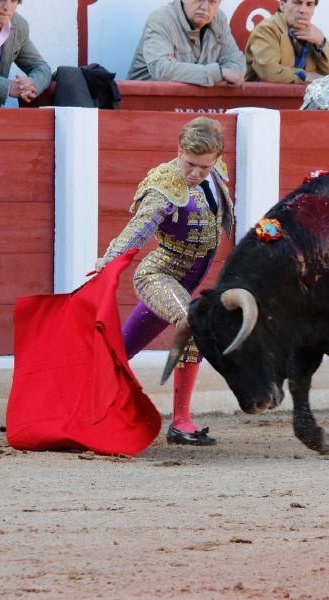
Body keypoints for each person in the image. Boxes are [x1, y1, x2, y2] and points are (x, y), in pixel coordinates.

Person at [95, 117, 234, 447]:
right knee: (194, 324)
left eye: (204, 166)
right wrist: (109, 259)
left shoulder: (218, 175)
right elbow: (139, 228)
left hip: (186, 280)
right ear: (179, 150)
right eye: (190, 164)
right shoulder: (164, 184)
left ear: (215, 160)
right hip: (159, 275)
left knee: (120, 350)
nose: (196, 173)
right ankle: (181, 422)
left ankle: (86, 397)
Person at [126, 0, 245, 87]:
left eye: (212, 2)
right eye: (200, 0)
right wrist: (218, 73)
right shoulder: (161, 18)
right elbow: (162, 69)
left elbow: (236, 62)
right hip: (145, 106)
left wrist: (228, 74)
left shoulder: (218, 18)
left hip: (195, 107)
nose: (205, 7)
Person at [244, 0, 329, 84]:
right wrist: (304, 75)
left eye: (309, 4)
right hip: (265, 102)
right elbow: (269, 72)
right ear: (282, 4)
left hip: (301, 102)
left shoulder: (314, 34)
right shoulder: (266, 29)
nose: (303, 10)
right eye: (297, 2)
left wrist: (321, 42)